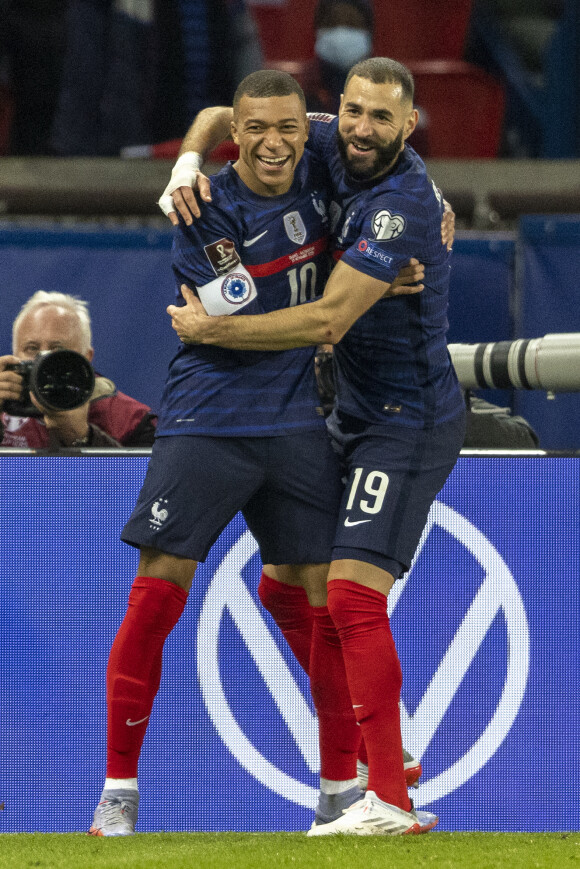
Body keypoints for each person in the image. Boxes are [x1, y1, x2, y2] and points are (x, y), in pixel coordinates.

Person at [87, 69, 427, 838]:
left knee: (325, 606)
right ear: (238, 137)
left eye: (287, 128)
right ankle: (119, 790)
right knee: (155, 598)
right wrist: (366, 283)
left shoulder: (318, 156)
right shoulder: (205, 207)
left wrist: (395, 251)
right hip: (209, 422)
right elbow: (256, 313)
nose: (275, 143)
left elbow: (214, 111)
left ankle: (341, 789)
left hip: (300, 427)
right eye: (257, 131)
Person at [160, 57, 466, 836]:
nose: (364, 128)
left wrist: (212, 329)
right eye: (355, 111)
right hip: (350, 411)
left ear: (409, 124)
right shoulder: (328, 140)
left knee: (355, 594)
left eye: (382, 118)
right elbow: (221, 116)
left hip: (407, 418)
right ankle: (384, 741)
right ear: (342, 108)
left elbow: (328, 321)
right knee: (284, 587)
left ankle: (388, 798)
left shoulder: (400, 204)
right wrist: (191, 160)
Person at [0, 291, 156, 448]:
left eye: (57, 349)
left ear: (86, 357)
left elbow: (141, 473)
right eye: (32, 348)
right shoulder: (4, 405)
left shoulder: (131, 420)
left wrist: (81, 436)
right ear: (14, 355)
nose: (42, 359)